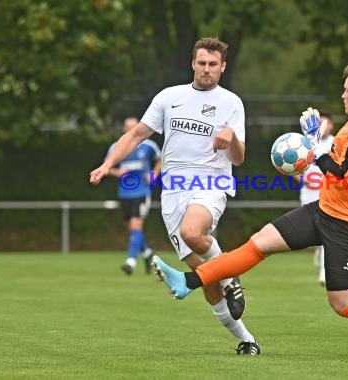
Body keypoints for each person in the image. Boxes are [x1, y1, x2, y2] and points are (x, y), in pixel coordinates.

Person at [151, 62, 348, 359]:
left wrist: (314, 146)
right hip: (325, 209)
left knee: (344, 303)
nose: (343, 95)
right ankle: (188, 281)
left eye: (347, 90)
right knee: (259, 243)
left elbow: (341, 173)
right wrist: (315, 149)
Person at [90, 37, 259, 355]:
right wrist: (107, 164)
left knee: (192, 232)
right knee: (207, 280)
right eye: (201, 63)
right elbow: (137, 134)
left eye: (213, 64)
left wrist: (232, 136)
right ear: (192, 63)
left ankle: (231, 278)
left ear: (222, 67)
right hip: (173, 192)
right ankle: (246, 339)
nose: (206, 69)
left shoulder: (231, 103)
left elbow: (238, 159)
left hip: (210, 184)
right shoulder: (169, 97)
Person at [105, 117, 162, 275]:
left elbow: (161, 160)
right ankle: (148, 253)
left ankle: (130, 262)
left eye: (134, 127)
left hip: (142, 192)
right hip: (125, 193)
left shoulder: (149, 145)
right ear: (124, 129)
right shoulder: (116, 147)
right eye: (127, 127)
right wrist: (117, 172)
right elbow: (106, 167)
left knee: (136, 226)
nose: (131, 129)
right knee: (132, 229)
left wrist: (154, 174)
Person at [293, 111, 335, 286]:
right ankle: (318, 251)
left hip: (330, 194)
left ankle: (325, 273)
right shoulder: (304, 143)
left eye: (326, 123)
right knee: (315, 232)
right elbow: (293, 167)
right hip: (308, 194)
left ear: (331, 125)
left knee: (327, 233)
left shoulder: (336, 142)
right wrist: (304, 180)